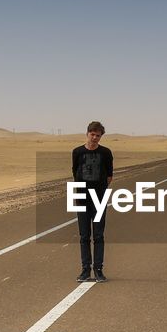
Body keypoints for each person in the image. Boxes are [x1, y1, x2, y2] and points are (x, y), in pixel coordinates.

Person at [71, 121, 113, 282]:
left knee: (98, 235)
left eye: (98, 135)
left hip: (99, 198)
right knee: (84, 235)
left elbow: (109, 175)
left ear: (101, 136)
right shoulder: (77, 152)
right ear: (87, 134)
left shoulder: (106, 153)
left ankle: (99, 270)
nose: (95, 137)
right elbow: (75, 172)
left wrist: (99, 190)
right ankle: (85, 270)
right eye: (92, 134)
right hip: (82, 197)